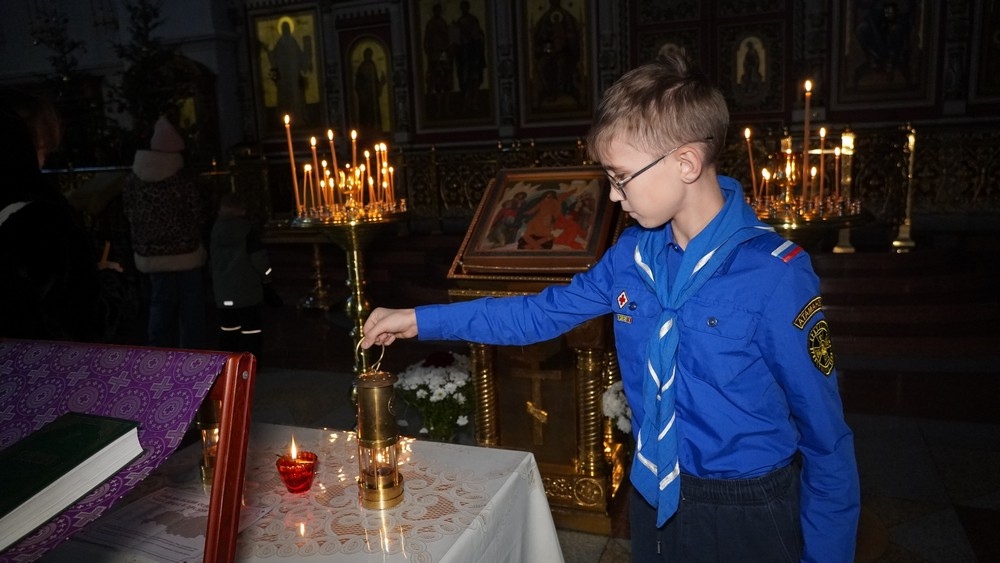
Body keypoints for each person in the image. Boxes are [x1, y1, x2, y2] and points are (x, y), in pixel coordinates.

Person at [361, 52, 860, 562]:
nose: (615, 196)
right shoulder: (631, 257)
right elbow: (538, 314)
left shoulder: (774, 274)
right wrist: (420, 320)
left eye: (620, 177)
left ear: (686, 163)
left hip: (744, 509)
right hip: (653, 495)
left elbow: (826, 440)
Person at [0, 90, 107, 342]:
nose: (43, 161)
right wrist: (110, 283)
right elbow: (85, 322)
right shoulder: (39, 218)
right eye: (42, 150)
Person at [123, 116, 209, 349]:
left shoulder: (134, 179)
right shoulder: (182, 180)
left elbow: (128, 211)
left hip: (151, 254)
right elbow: (197, 212)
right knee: (191, 308)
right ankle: (193, 356)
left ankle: (158, 354)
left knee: (160, 303)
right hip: (186, 252)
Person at [209, 193, 274, 361]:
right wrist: (267, 276)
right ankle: (251, 362)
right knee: (251, 330)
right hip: (247, 290)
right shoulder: (248, 231)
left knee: (228, 329)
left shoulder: (214, 230)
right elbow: (259, 259)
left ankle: (228, 363)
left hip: (223, 291)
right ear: (243, 210)